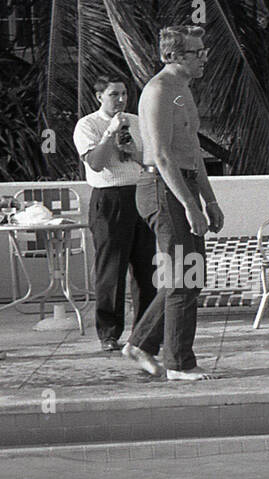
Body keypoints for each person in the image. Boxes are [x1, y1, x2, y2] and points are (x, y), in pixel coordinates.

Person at [122, 24, 223, 381]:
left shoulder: (182, 90)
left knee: (188, 277)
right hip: (161, 188)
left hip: (183, 185)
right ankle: (179, 364)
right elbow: (162, 156)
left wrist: (208, 201)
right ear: (173, 56)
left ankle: (140, 345)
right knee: (182, 278)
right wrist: (189, 206)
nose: (205, 58)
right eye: (198, 53)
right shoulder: (160, 90)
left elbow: (192, 151)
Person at [73, 76, 158, 352]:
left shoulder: (137, 121)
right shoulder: (88, 125)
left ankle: (145, 332)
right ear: (99, 96)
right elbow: (96, 164)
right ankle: (109, 332)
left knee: (146, 269)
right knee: (111, 268)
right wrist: (109, 134)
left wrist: (134, 152)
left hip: (140, 193)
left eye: (123, 94)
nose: (120, 99)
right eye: (113, 94)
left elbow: (152, 162)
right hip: (110, 199)